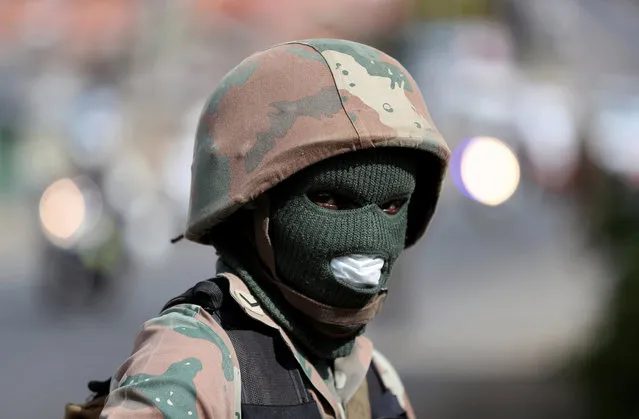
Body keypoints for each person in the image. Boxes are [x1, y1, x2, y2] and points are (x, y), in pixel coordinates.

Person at [93, 38, 450, 419]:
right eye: (329, 199)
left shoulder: (370, 375)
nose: (367, 234)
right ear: (252, 206)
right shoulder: (192, 361)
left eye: (391, 205)